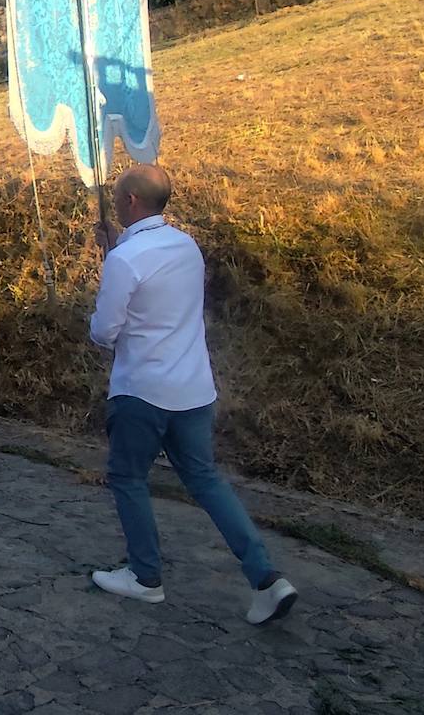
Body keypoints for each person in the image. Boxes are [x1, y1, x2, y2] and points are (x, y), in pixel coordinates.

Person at [88, 164, 298, 625]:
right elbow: (155, 285)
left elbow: (105, 331)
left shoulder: (124, 260)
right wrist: (114, 248)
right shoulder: (185, 246)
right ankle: (265, 577)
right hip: (194, 388)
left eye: (120, 197)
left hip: (142, 389)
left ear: (132, 203)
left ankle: (145, 577)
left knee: (128, 479)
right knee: (206, 481)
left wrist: (112, 260)